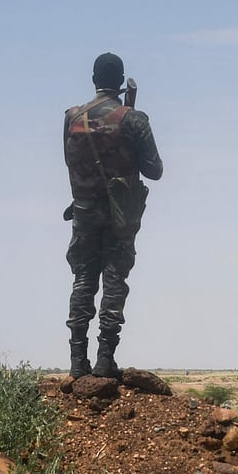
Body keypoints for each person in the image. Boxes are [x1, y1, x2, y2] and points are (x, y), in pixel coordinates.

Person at [62, 52, 163, 379]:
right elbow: (155, 170)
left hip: (84, 211)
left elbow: (70, 162)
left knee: (83, 281)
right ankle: (105, 359)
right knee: (115, 281)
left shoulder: (72, 117)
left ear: (94, 79)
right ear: (120, 82)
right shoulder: (133, 119)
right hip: (121, 214)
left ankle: (78, 363)